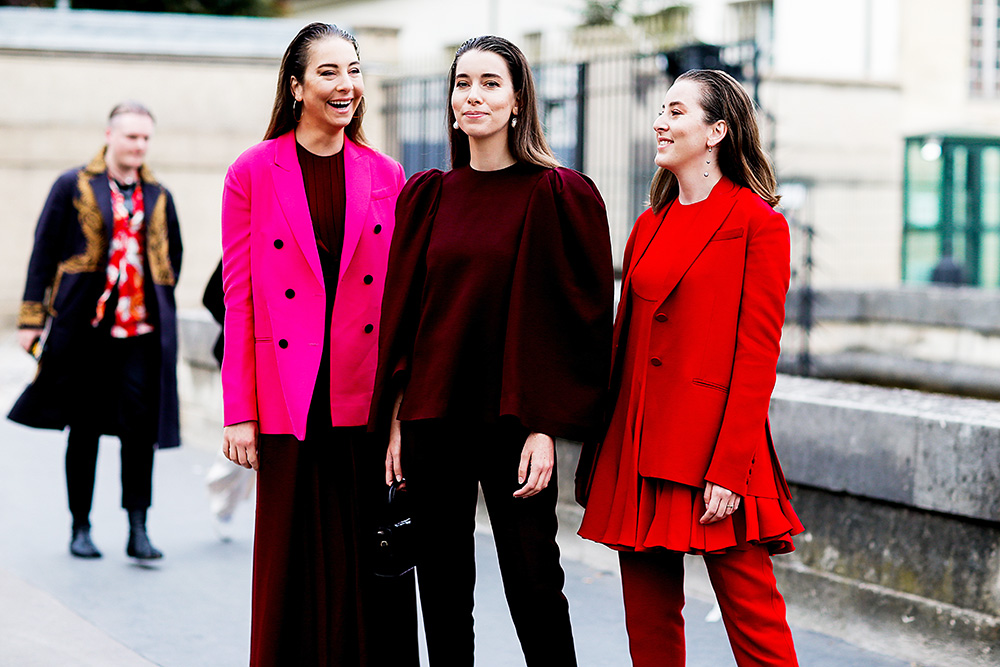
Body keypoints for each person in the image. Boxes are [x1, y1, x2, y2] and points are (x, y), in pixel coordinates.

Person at [372, 35, 614, 667]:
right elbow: (406, 316)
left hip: (513, 424)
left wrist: (547, 429)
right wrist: (398, 414)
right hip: (432, 419)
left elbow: (581, 321)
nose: (472, 96)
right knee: (444, 595)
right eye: (462, 83)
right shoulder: (427, 197)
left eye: (489, 83)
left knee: (535, 587)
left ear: (517, 100)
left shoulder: (561, 194)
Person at [576, 69, 804, 666]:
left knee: (757, 629)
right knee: (649, 632)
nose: (660, 121)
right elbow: (627, 344)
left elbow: (757, 358)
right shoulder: (649, 224)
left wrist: (729, 468)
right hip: (638, 443)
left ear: (716, 132)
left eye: (676, 112)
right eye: (661, 110)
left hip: (716, 453)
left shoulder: (760, 225)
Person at [219, 23, 418, 667]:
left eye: (354, 70)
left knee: (365, 557)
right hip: (286, 396)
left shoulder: (387, 173)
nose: (346, 85)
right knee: (289, 559)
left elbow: (403, 303)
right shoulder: (253, 171)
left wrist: (398, 412)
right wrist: (239, 412)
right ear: (297, 84)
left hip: (364, 394)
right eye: (329, 71)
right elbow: (240, 297)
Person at [9, 101, 182, 562]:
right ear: (110, 135)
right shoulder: (73, 185)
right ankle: (80, 527)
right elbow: (43, 253)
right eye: (131, 137)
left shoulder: (159, 193)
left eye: (145, 138)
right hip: (86, 332)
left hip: (141, 335)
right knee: (83, 428)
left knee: (139, 431)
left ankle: (137, 528)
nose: (138, 146)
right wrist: (31, 320)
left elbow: (173, 260)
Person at [201, 258, 255, 539]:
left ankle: (227, 500)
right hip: (247, 357)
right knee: (243, 439)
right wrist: (243, 324)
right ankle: (221, 499)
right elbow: (211, 296)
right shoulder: (246, 242)